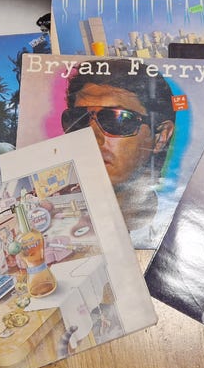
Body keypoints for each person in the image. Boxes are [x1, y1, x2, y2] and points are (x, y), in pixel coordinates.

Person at [61, 58, 175, 245]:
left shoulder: (179, 229)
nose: (91, 137)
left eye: (117, 120)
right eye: (78, 119)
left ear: (160, 137)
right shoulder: (50, 222)